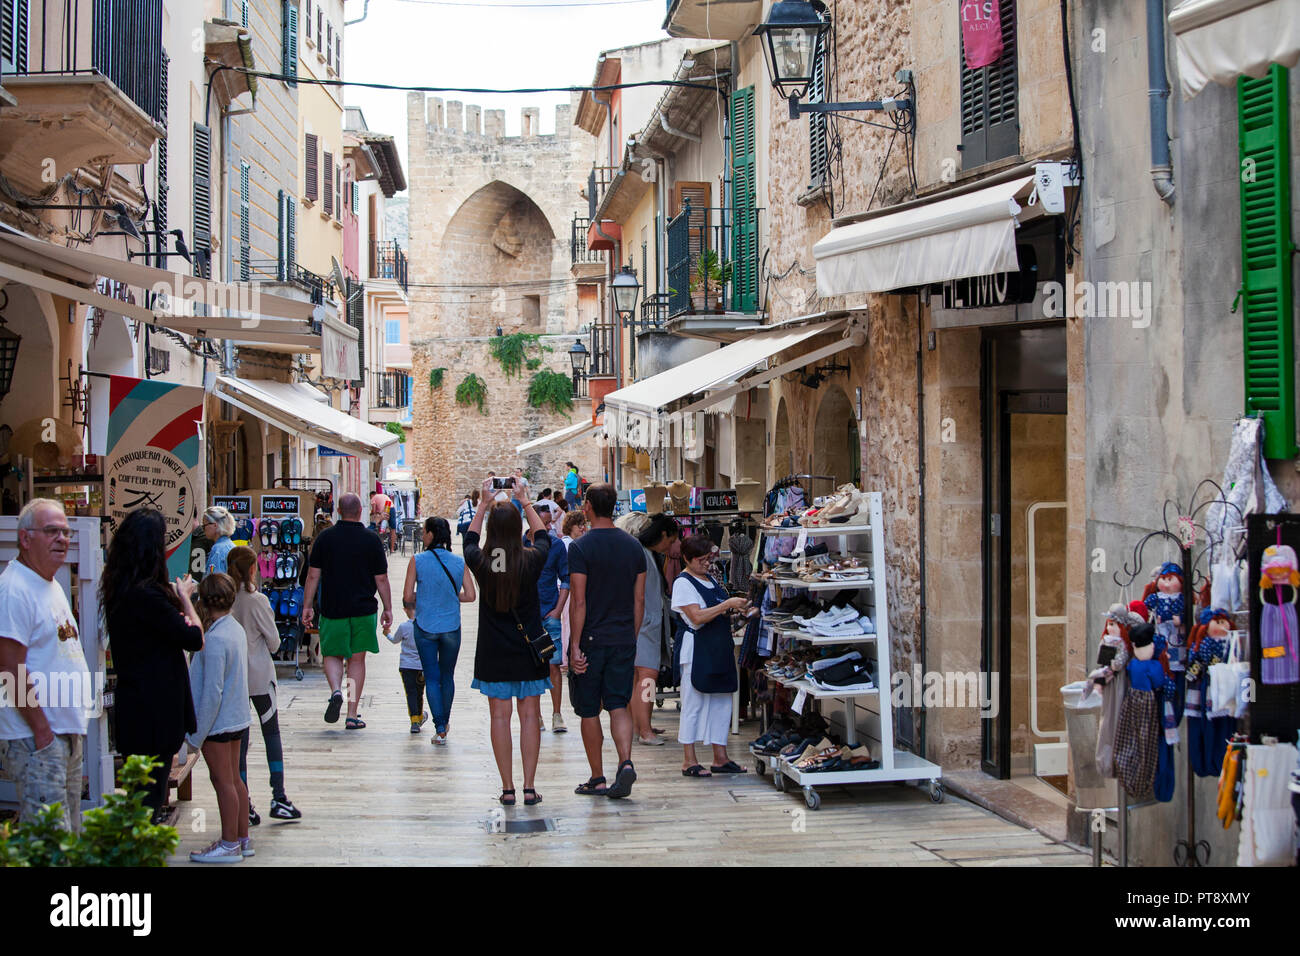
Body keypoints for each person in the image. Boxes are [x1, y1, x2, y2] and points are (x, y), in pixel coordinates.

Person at [101, 508, 204, 822]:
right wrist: (186, 597)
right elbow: (195, 637)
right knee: (150, 795)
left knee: (142, 792)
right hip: (155, 708)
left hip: (136, 704)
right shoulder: (148, 597)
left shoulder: (119, 591)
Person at [0, 499, 92, 833]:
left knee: (66, 839)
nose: (62, 539)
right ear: (25, 539)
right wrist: (43, 734)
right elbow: (9, 668)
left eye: (66, 532)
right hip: (36, 738)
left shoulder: (48, 583)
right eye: (51, 531)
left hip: (59, 736)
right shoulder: (14, 588)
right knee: (50, 843)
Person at [464, 475, 550, 806]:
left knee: (499, 717)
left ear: (492, 530)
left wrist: (483, 503)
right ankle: (529, 786)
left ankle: (507, 788)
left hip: (493, 651)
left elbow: (468, 542)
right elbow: (543, 536)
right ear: (518, 530)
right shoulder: (530, 559)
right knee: (529, 717)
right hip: (528, 650)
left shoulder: (483, 562)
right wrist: (525, 500)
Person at [567, 483, 646, 799]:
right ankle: (625, 762)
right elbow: (639, 600)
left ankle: (597, 777)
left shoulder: (581, 548)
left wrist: (574, 645)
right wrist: (632, 635)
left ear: (587, 506)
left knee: (588, 710)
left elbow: (579, 601)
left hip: (591, 639)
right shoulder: (634, 547)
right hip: (623, 637)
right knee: (617, 705)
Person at [303, 492, 393, 730]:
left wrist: (307, 605)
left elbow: (313, 575)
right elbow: (381, 579)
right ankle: (352, 714)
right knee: (356, 660)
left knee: (332, 654)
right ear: (361, 512)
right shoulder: (371, 540)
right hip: (363, 610)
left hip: (333, 608)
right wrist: (388, 608)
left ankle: (335, 691)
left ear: (339, 512)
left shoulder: (325, 539)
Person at [228, 546, 301, 823]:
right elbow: (274, 641)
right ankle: (279, 796)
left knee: (240, 743)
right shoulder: (256, 600)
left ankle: (243, 801)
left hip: (234, 679)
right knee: (271, 733)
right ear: (252, 569)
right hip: (259, 676)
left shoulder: (224, 598)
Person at [671, 535, 750, 777]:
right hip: (697, 650)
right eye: (701, 560)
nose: (707, 564)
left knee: (721, 702)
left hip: (717, 647)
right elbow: (696, 617)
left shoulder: (710, 580)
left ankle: (720, 757)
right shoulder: (683, 583)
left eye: (708, 559)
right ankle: (689, 760)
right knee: (693, 703)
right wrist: (727, 605)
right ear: (687, 558)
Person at [186, 572, 252, 862]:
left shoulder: (213, 640)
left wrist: (196, 735)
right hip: (237, 716)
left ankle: (228, 844)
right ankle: (241, 838)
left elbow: (211, 691)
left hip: (218, 721)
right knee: (235, 779)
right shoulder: (234, 629)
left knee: (222, 781)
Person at [402, 516, 475, 743]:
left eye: (424, 531)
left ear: (431, 534)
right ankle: (445, 721)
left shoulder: (417, 560)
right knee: (447, 676)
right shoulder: (458, 562)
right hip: (451, 626)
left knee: (431, 677)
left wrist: (424, 596)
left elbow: (407, 596)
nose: (422, 535)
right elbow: (471, 595)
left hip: (425, 626)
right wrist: (450, 596)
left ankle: (439, 726)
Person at [632, 514, 680, 747]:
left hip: (645, 624)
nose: (670, 546)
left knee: (639, 679)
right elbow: (639, 597)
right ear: (662, 535)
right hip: (645, 626)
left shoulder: (645, 553)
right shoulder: (642, 554)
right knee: (647, 679)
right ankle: (644, 730)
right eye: (670, 541)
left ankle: (641, 725)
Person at [533, 506, 569, 733]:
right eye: (544, 522)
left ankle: (556, 713)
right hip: (528, 617)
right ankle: (535, 715)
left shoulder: (556, 546)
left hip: (549, 613)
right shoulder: (522, 545)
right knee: (533, 667)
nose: (548, 527)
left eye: (549, 522)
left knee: (554, 664)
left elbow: (566, 578)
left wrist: (557, 610)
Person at [387, 610, 427, 733]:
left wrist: (387, 633)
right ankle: (420, 716)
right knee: (419, 692)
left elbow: (394, 640)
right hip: (422, 666)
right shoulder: (426, 626)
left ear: (404, 609)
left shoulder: (404, 627)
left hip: (406, 666)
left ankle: (414, 720)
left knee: (410, 692)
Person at [558, 510, 587, 671]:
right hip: (568, 586)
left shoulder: (564, 542)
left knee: (565, 622)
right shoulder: (571, 544)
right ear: (571, 526)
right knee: (569, 622)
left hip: (562, 585)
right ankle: (566, 657)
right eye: (579, 525)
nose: (583, 528)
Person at [202, 505, 237, 574]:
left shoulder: (218, 550)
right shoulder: (230, 546)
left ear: (215, 525)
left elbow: (215, 582)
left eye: (204, 525)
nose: (203, 529)